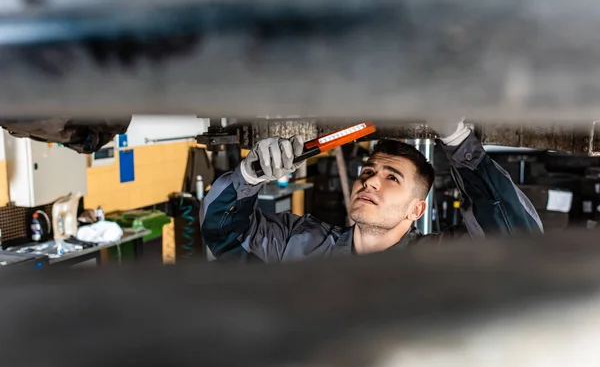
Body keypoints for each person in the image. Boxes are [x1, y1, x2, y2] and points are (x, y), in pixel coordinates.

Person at [199, 119, 543, 262]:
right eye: (368, 171)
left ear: (416, 210)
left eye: (392, 177)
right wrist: (250, 173)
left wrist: (457, 138)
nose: (370, 181)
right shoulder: (298, 246)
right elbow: (224, 233)